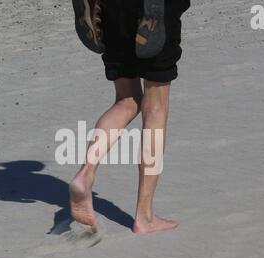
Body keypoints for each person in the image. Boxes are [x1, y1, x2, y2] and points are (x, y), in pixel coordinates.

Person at [70, 0, 191, 234]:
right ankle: (144, 216)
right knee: (156, 108)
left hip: (109, 10)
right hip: (155, 11)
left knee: (126, 101)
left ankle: (86, 172)